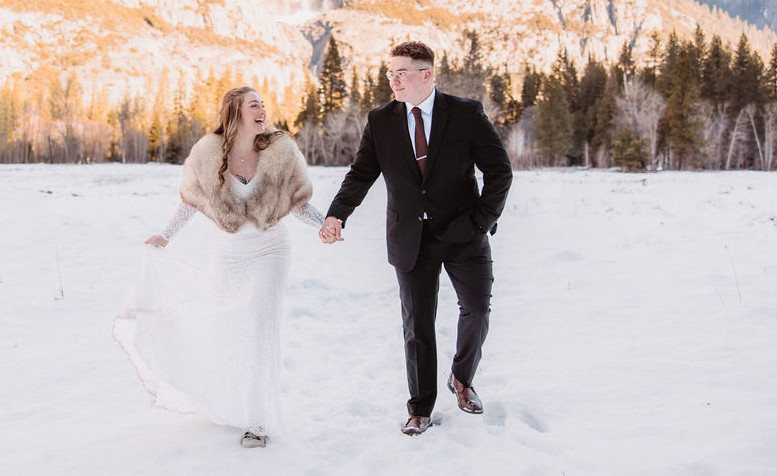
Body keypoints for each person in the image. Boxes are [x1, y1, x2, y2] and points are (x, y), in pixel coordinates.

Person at [318, 41, 512, 436]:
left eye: (401, 73)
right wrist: (338, 213)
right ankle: (420, 407)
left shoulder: (466, 114)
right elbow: (361, 174)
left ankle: (462, 377)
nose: (393, 81)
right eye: (390, 74)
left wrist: (478, 223)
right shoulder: (381, 120)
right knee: (417, 325)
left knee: (477, 309)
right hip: (410, 237)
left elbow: (500, 172)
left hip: (464, 235)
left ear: (426, 74)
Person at [113, 86, 324, 448]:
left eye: (262, 105)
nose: (262, 110)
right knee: (231, 330)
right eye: (253, 105)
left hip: (271, 249)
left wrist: (325, 224)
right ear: (235, 113)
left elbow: (299, 202)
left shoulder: (280, 148)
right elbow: (191, 201)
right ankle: (232, 404)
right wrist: (166, 236)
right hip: (229, 255)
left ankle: (258, 421)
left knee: (259, 330)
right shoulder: (208, 152)